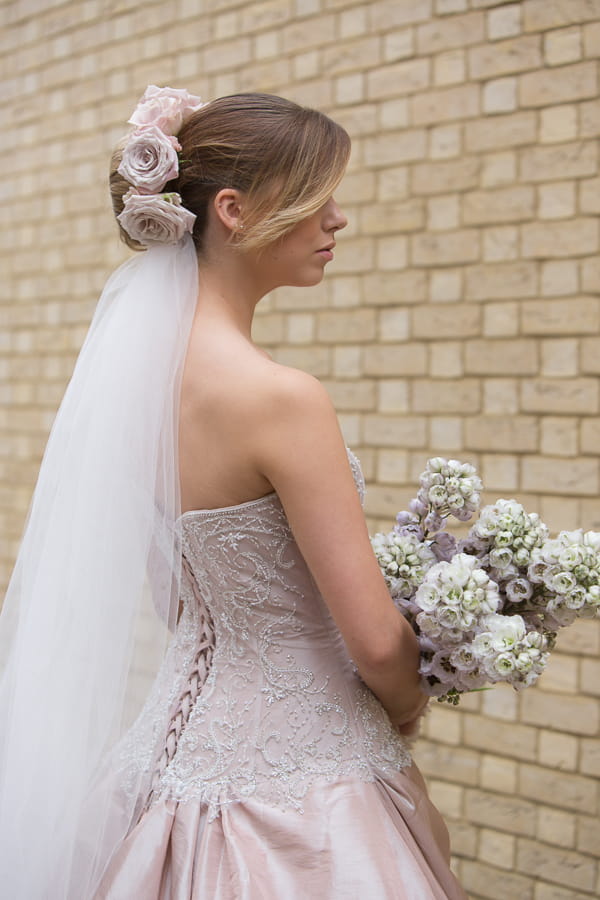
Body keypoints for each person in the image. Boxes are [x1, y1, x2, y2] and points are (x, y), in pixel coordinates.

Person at [0, 87, 466, 899]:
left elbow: (179, 602)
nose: (338, 220)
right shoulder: (281, 399)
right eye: (319, 195)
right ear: (234, 210)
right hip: (304, 785)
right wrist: (407, 702)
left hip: (158, 771)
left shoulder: (139, 392)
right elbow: (378, 645)